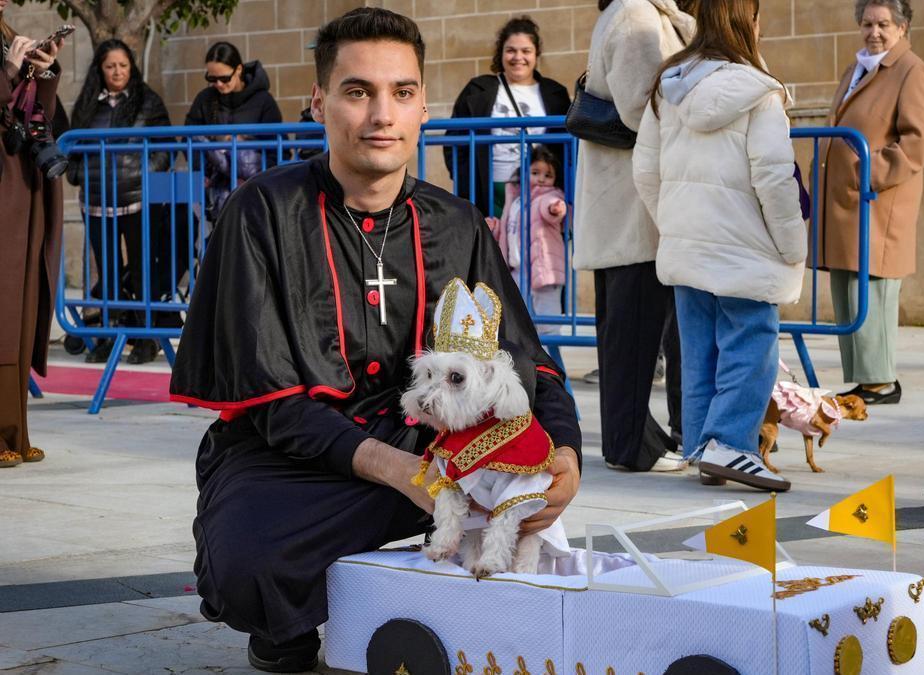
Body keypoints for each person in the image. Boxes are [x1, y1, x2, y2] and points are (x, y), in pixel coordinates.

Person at [168, 8, 582, 672]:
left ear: (423, 107)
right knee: (247, 563)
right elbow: (270, 402)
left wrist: (563, 453)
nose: (381, 114)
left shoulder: (460, 223)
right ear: (320, 102)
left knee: (507, 487)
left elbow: (530, 365)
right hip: (295, 455)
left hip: (433, 442)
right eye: (358, 92)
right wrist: (412, 477)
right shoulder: (261, 212)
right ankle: (291, 621)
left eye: (403, 92)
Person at [633, 0, 806, 491]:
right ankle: (731, 443)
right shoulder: (760, 92)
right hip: (746, 246)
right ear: (747, 21)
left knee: (700, 348)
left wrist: (672, 222)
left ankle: (706, 445)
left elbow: (645, 171)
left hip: (688, 244)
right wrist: (791, 244)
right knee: (751, 346)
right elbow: (774, 180)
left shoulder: (669, 86)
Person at [574, 0, 695, 473]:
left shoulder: (639, 13)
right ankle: (630, 447)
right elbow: (639, 110)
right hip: (633, 209)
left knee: (629, 336)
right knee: (632, 338)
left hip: (629, 206)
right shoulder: (636, 17)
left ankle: (634, 441)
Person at [813, 0, 924, 407]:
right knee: (848, 286)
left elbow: (916, 143)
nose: (874, 32)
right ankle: (865, 379)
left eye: (883, 24)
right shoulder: (857, 68)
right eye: (867, 23)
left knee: (874, 287)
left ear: (902, 27)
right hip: (847, 200)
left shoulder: (911, 70)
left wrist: (866, 173)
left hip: (877, 200)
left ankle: (882, 380)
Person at [67, 39, 176, 365]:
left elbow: (166, 145)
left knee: (143, 270)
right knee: (110, 273)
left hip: (138, 200)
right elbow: (73, 145)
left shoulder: (147, 101)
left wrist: (147, 173)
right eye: (110, 66)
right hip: (97, 200)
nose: (117, 72)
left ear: (132, 67)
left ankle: (146, 338)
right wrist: (77, 174)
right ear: (100, 69)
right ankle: (107, 336)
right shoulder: (89, 104)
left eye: (123, 65)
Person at [0, 1, 64, 468]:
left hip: (21, 184)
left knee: (20, 306)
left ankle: (14, 430)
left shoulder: (8, 32)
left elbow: (34, 114)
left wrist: (43, 73)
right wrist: (7, 70)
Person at [444, 16, 570, 216]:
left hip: (539, 191)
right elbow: (454, 138)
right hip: (489, 189)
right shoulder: (478, 89)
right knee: (493, 245)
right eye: (511, 50)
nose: (518, 57)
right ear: (500, 53)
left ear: (536, 54)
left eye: (526, 51)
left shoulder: (556, 93)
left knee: (534, 246)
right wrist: (463, 178)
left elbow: (567, 145)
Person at [184, 41, 283, 223]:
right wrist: (202, 171)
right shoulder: (205, 99)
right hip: (216, 190)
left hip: (254, 188)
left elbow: (278, 148)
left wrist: (259, 178)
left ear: (238, 70)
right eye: (211, 79)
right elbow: (188, 139)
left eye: (224, 78)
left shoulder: (263, 100)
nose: (218, 84)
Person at [486, 145, 568, 336]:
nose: (541, 178)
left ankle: (553, 362)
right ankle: (530, 362)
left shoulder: (550, 196)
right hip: (517, 270)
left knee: (548, 325)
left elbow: (552, 210)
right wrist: (495, 227)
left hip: (544, 271)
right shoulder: (515, 200)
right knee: (521, 320)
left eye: (548, 175)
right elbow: (510, 230)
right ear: (524, 172)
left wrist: (556, 209)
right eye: (535, 172)